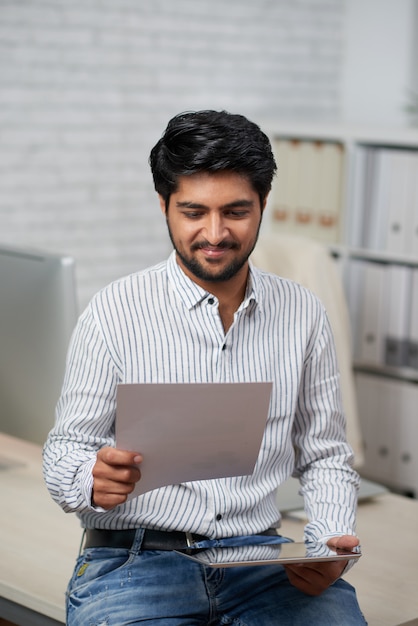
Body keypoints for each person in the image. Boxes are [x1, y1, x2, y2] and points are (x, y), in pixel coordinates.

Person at [43, 110, 366, 625]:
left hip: (262, 561)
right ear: (164, 206)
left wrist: (328, 544)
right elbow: (63, 453)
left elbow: (325, 454)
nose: (214, 234)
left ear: (263, 205)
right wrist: (90, 478)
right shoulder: (113, 311)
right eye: (193, 212)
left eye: (235, 211)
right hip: (135, 561)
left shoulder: (304, 314)